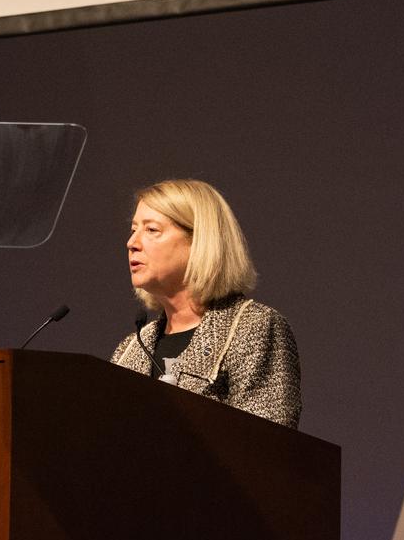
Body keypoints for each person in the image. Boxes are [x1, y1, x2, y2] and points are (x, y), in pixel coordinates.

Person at [110, 178, 301, 428]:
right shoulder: (131, 349)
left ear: (199, 240)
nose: (132, 243)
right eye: (134, 229)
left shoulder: (253, 328)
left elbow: (266, 443)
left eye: (151, 230)